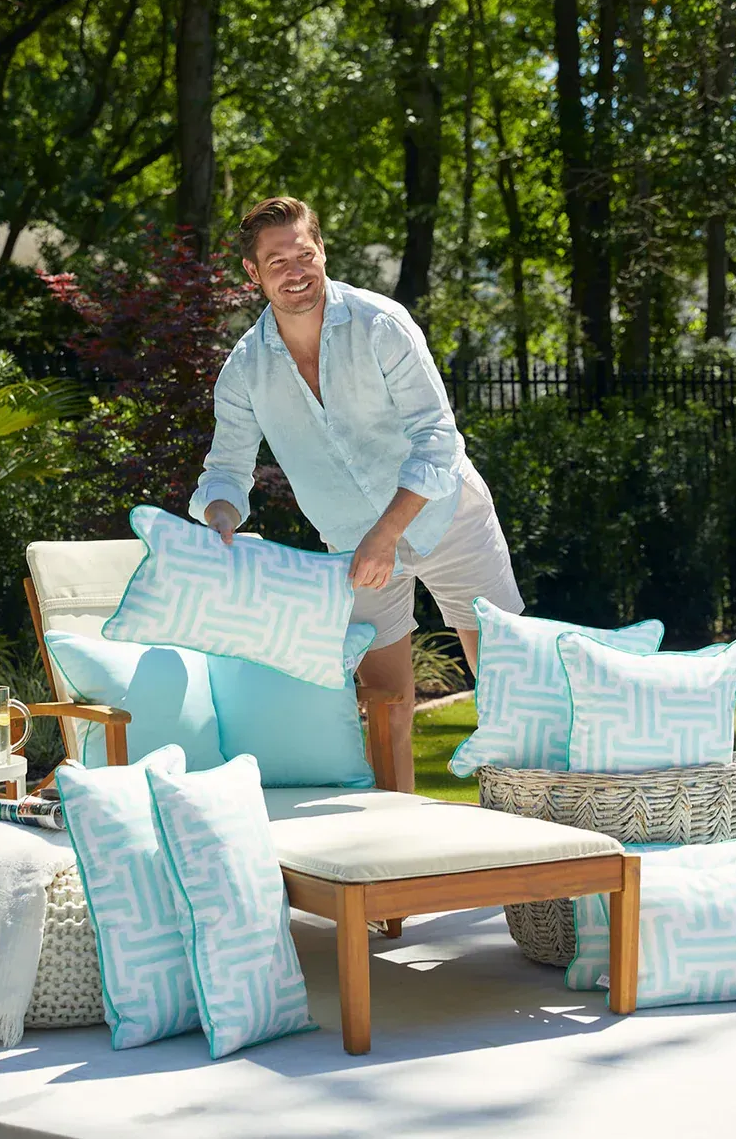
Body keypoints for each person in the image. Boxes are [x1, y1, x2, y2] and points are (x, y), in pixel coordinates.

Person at [189, 196, 523, 791]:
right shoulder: (244, 368)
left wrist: (387, 534)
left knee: (509, 684)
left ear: (322, 252)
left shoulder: (381, 324)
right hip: (353, 548)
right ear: (252, 273)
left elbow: (438, 440)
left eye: (304, 254)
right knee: (386, 700)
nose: (295, 271)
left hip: (449, 518)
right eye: (276, 261)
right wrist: (220, 517)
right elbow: (226, 471)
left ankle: (535, 843)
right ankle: (401, 848)